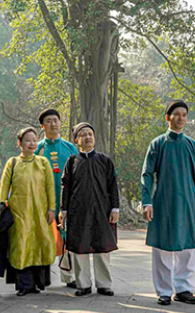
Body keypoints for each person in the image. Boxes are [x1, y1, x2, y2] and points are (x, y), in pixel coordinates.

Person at [141, 100, 195, 306]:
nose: (180, 118)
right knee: (162, 248)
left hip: (189, 202)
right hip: (163, 201)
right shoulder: (158, 144)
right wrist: (147, 202)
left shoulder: (192, 145)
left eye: (184, 115)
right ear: (168, 117)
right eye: (176, 114)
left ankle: (184, 289)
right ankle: (163, 291)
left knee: (188, 248)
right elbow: (147, 174)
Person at [60, 122, 120, 297]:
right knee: (80, 248)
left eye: (90, 134)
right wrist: (64, 211)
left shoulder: (105, 160)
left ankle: (104, 284)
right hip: (78, 212)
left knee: (102, 249)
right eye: (83, 134)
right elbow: (66, 187)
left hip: (103, 211)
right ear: (77, 140)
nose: (87, 137)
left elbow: (112, 185)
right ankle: (83, 284)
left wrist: (115, 208)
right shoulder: (72, 162)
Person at [0, 127, 57, 296]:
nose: (32, 143)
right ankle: (24, 285)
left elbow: (50, 188)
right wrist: (2, 205)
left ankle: (38, 283)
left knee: (41, 245)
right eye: (27, 140)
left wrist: (52, 208)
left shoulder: (43, 163)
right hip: (19, 213)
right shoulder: (13, 163)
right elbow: (4, 188)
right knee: (21, 246)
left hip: (41, 213)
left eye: (34, 140)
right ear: (20, 143)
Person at [35, 108, 79, 287]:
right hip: (44, 203)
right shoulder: (38, 148)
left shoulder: (70, 148)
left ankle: (69, 278)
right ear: (42, 126)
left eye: (56, 120)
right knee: (43, 238)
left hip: (67, 202)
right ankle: (40, 278)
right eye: (49, 121)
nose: (53, 124)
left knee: (68, 239)